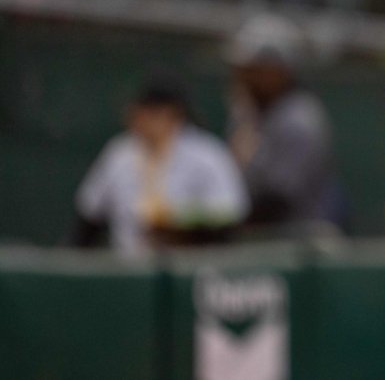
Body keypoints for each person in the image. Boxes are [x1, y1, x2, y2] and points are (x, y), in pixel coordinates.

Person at [72, 75, 248, 254]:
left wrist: (175, 221)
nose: (142, 118)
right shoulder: (119, 153)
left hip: (191, 266)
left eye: (154, 112)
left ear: (175, 114)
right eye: (140, 110)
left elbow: (230, 213)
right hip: (130, 267)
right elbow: (89, 217)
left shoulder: (207, 154)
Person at [225, 14, 345, 232]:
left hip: (299, 249)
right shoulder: (252, 114)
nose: (243, 79)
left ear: (276, 71)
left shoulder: (299, 119)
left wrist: (224, 227)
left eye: (253, 71)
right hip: (267, 243)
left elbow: (276, 203)